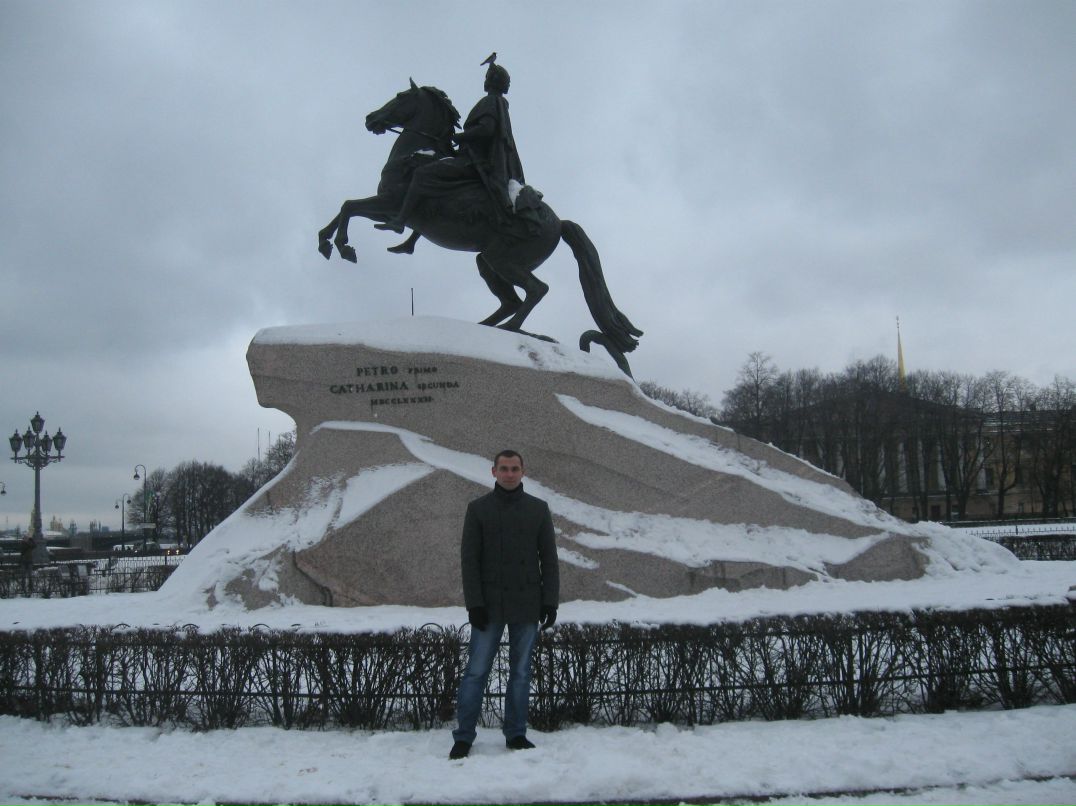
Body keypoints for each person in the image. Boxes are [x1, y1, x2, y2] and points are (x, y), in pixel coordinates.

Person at [448, 449, 559, 760]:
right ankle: (464, 736)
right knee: (476, 672)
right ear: (493, 471)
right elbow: (469, 561)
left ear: (523, 472)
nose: (509, 474)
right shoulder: (478, 509)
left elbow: (549, 559)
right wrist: (474, 604)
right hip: (489, 606)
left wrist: (550, 601)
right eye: (504, 468)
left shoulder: (538, 509)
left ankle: (516, 733)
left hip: (527, 603)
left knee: (521, 673)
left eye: (514, 468)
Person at [376, 56, 525, 235]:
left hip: (473, 161)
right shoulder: (498, 103)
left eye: (487, 77)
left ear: (492, 81)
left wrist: (461, 136)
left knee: (423, 174)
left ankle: (400, 221)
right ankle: (412, 239)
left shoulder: (491, 101)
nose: (485, 80)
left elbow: (487, 129)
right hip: (474, 159)